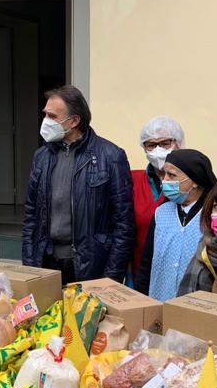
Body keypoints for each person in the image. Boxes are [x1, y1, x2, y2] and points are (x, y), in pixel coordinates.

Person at [22, 85, 134, 285]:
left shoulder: (110, 156)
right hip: (46, 261)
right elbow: (31, 215)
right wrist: (30, 263)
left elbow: (123, 224)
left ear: (74, 120)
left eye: (52, 116)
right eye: (45, 114)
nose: (46, 121)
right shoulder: (41, 156)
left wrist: (111, 277)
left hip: (90, 265)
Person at [136, 148, 217, 300]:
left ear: (194, 181)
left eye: (171, 175)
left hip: (196, 307)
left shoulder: (211, 216)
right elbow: (146, 262)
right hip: (159, 301)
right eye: (164, 173)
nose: (164, 180)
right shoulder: (161, 213)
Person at [130, 117, 185, 280]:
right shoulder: (131, 180)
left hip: (178, 270)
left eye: (165, 143)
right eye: (151, 145)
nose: (158, 149)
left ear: (179, 143)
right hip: (139, 268)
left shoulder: (190, 182)